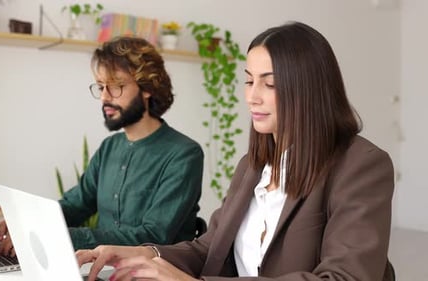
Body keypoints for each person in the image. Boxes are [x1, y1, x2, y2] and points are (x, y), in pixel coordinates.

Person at [76, 21, 396, 281]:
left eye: (269, 84)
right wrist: (146, 254)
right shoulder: (252, 166)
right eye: (248, 81)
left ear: (309, 90)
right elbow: (210, 248)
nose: (252, 97)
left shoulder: (361, 165)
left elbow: (344, 277)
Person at [0, 36, 204, 252]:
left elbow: (153, 236)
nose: (105, 98)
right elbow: (75, 205)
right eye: (100, 87)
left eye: (116, 86)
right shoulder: (110, 147)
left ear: (147, 88)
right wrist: (25, 221)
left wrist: (55, 235)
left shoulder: (184, 155)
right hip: (103, 268)